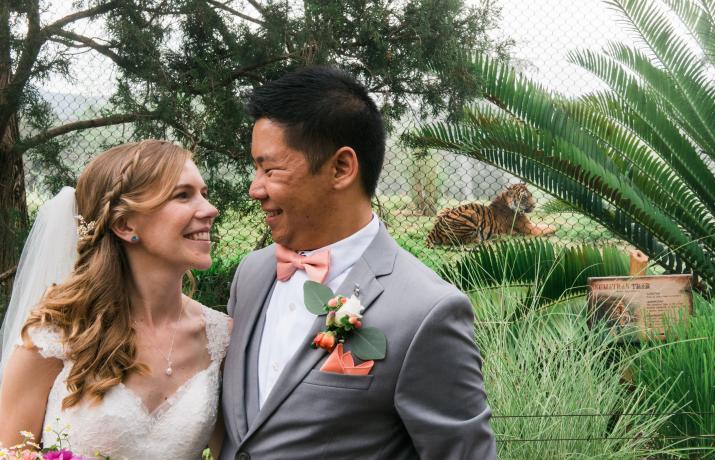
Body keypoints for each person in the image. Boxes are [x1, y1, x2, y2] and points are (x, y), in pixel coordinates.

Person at [220, 66, 496, 459]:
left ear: (341, 168)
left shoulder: (425, 311)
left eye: (270, 169)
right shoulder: (251, 274)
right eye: (255, 168)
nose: (255, 188)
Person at [0, 140, 231, 458]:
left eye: (203, 193)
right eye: (182, 195)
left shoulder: (220, 338)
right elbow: (9, 451)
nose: (209, 209)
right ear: (125, 224)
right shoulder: (54, 335)